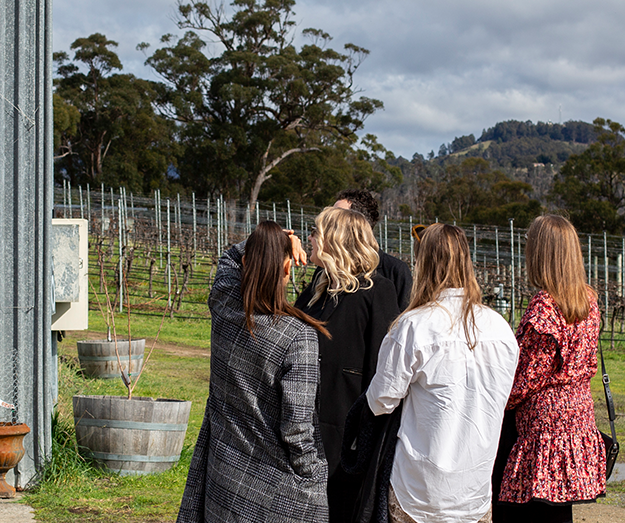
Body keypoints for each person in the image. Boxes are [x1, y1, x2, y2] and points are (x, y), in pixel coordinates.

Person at [178, 221, 330, 522]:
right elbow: (297, 430)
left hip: (222, 478)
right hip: (279, 494)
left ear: (248, 263)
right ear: (287, 268)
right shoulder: (297, 336)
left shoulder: (223, 307)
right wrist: (314, 473)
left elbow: (229, 259)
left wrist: (270, 242)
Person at [367, 224, 519, 522]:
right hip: (474, 488)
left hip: (420, 490)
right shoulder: (500, 328)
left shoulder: (412, 326)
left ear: (423, 264)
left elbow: (380, 400)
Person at [294, 205, 401, 522]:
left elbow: (381, 369)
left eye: (316, 232)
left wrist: (362, 442)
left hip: (343, 439)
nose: (310, 239)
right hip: (305, 429)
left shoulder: (377, 291)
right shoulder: (318, 288)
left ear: (334, 241)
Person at [495, 215, 605, 521]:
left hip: (542, 425)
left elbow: (529, 376)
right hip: (578, 417)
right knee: (559, 510)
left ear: (541, 253)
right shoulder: (588, 299)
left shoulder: (545, 304)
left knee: (524, 509)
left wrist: (497, 401)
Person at [333, 189, 413, 310]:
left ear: (358, 223)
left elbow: (404, 319)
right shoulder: (326, 270)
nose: (327, 222)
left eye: (336, 218)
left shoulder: (395, 271)